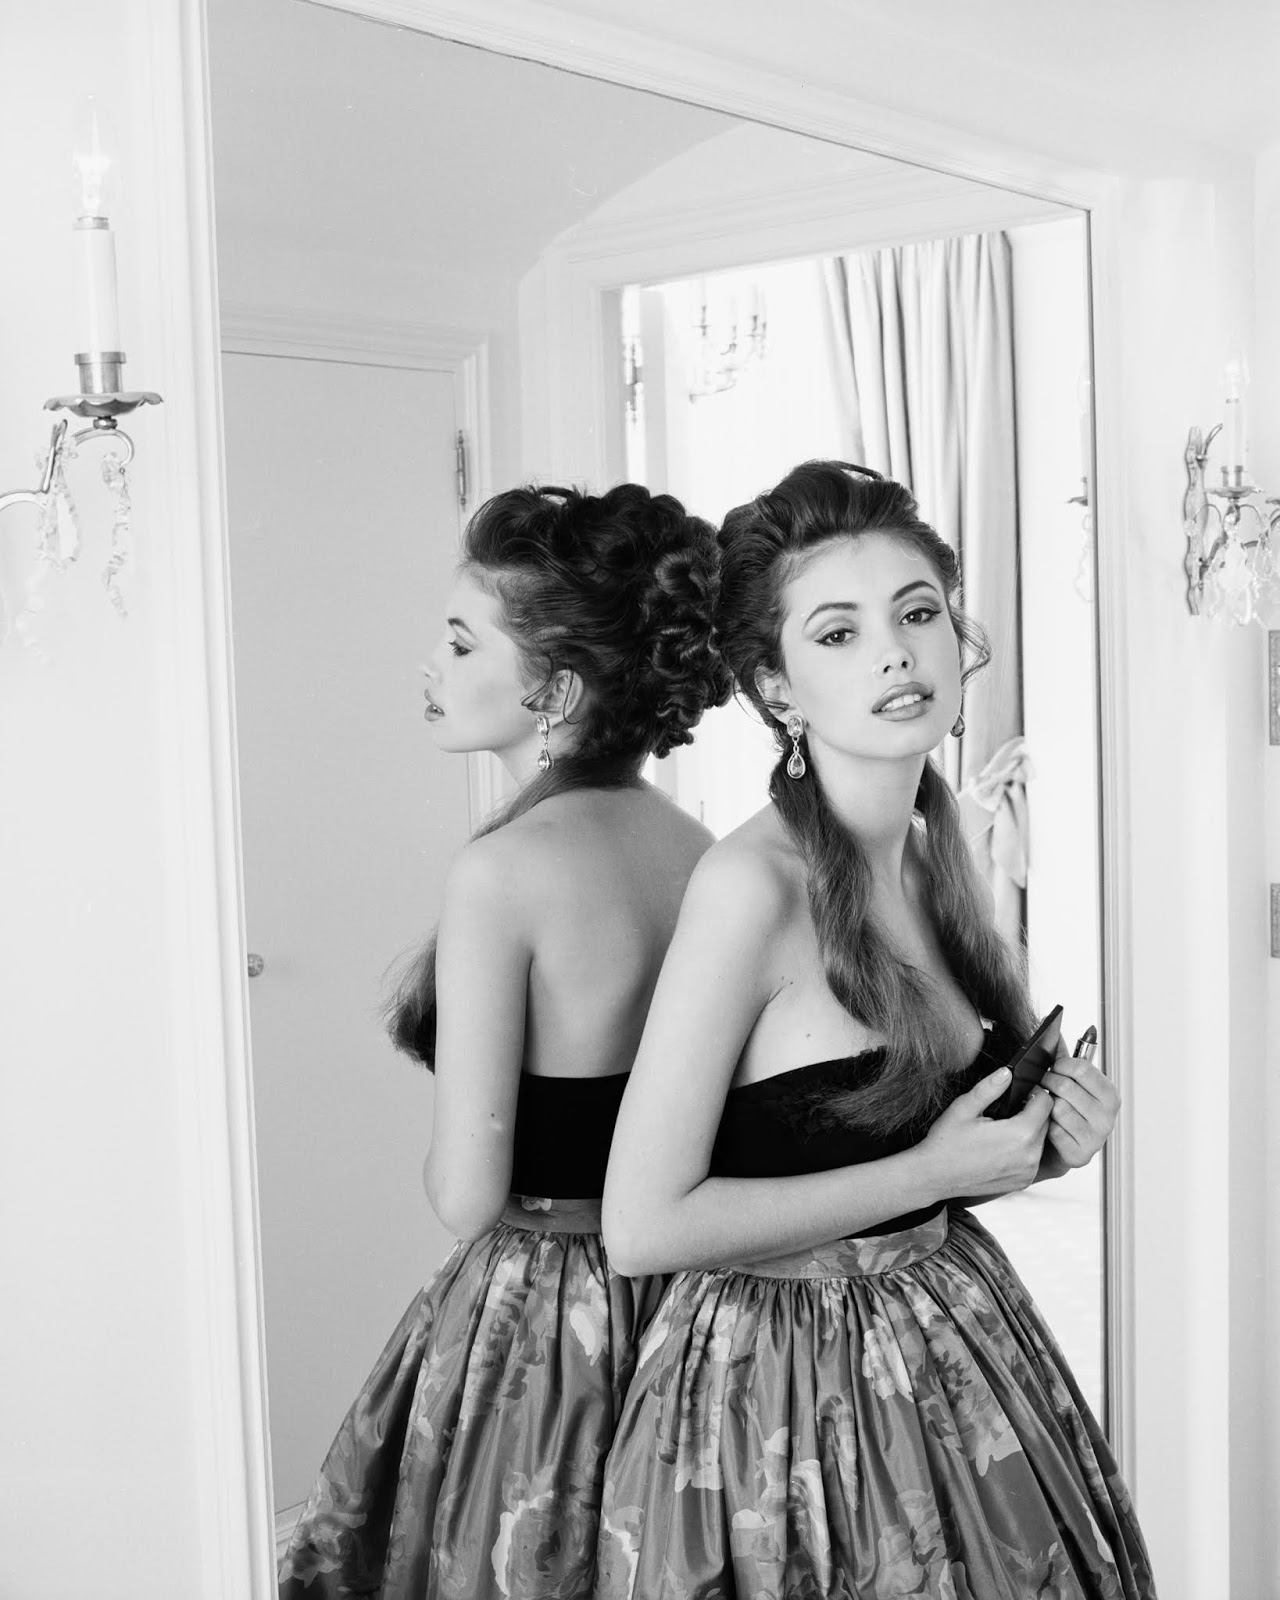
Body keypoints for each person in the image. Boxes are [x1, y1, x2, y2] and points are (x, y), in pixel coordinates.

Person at [597, 462, 1155, 1599]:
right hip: (778, 1404)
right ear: (776, 686)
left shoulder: (935, 849)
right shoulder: (748, 889)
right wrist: (930, 1169)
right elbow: (641, 1227)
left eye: (916, 613)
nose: (895, 654)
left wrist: (1035, 1148)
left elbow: (900, 1160)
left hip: (955, 1349)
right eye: (838, 633)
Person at [277, 481, 731, 1600]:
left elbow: (466, 1194)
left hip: (550, 1321)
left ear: (555, 687)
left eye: (459, 640)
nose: (429, 666)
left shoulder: (500, 872)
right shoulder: (703, 850)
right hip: (696, 1301)